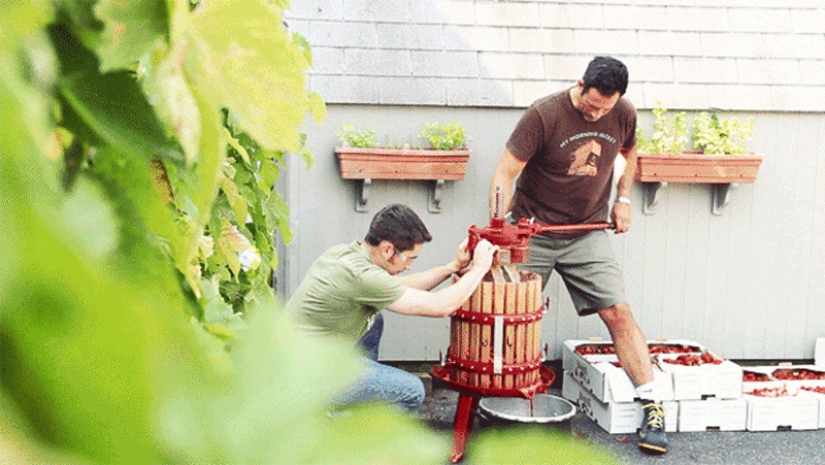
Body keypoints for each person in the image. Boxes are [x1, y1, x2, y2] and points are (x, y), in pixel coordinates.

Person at [489, 56, 667, 454]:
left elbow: (629, 152)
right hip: (534, 229)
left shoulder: (622, 112)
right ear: (581, 83)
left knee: (618, 312)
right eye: (592, 104)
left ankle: (652, 404)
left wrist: (623, 199)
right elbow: (504, 173)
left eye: (606, 106)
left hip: (586, 230)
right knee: (514, 318)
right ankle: (504, 407)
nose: (597, 112)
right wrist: (498, 224)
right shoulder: (543, 116)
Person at [285, 203, 497, 413]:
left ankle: (352, 405)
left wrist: (452, 268)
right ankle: (344, 436)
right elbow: (440, 306)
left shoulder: (346, 255)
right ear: (387, 249)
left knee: (375, 320)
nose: (409, 266)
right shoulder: (363, 276)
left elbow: (398, 288)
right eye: (409, 258)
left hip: (294, 359)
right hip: (304, 378)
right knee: (412, 391)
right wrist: (479, 268)